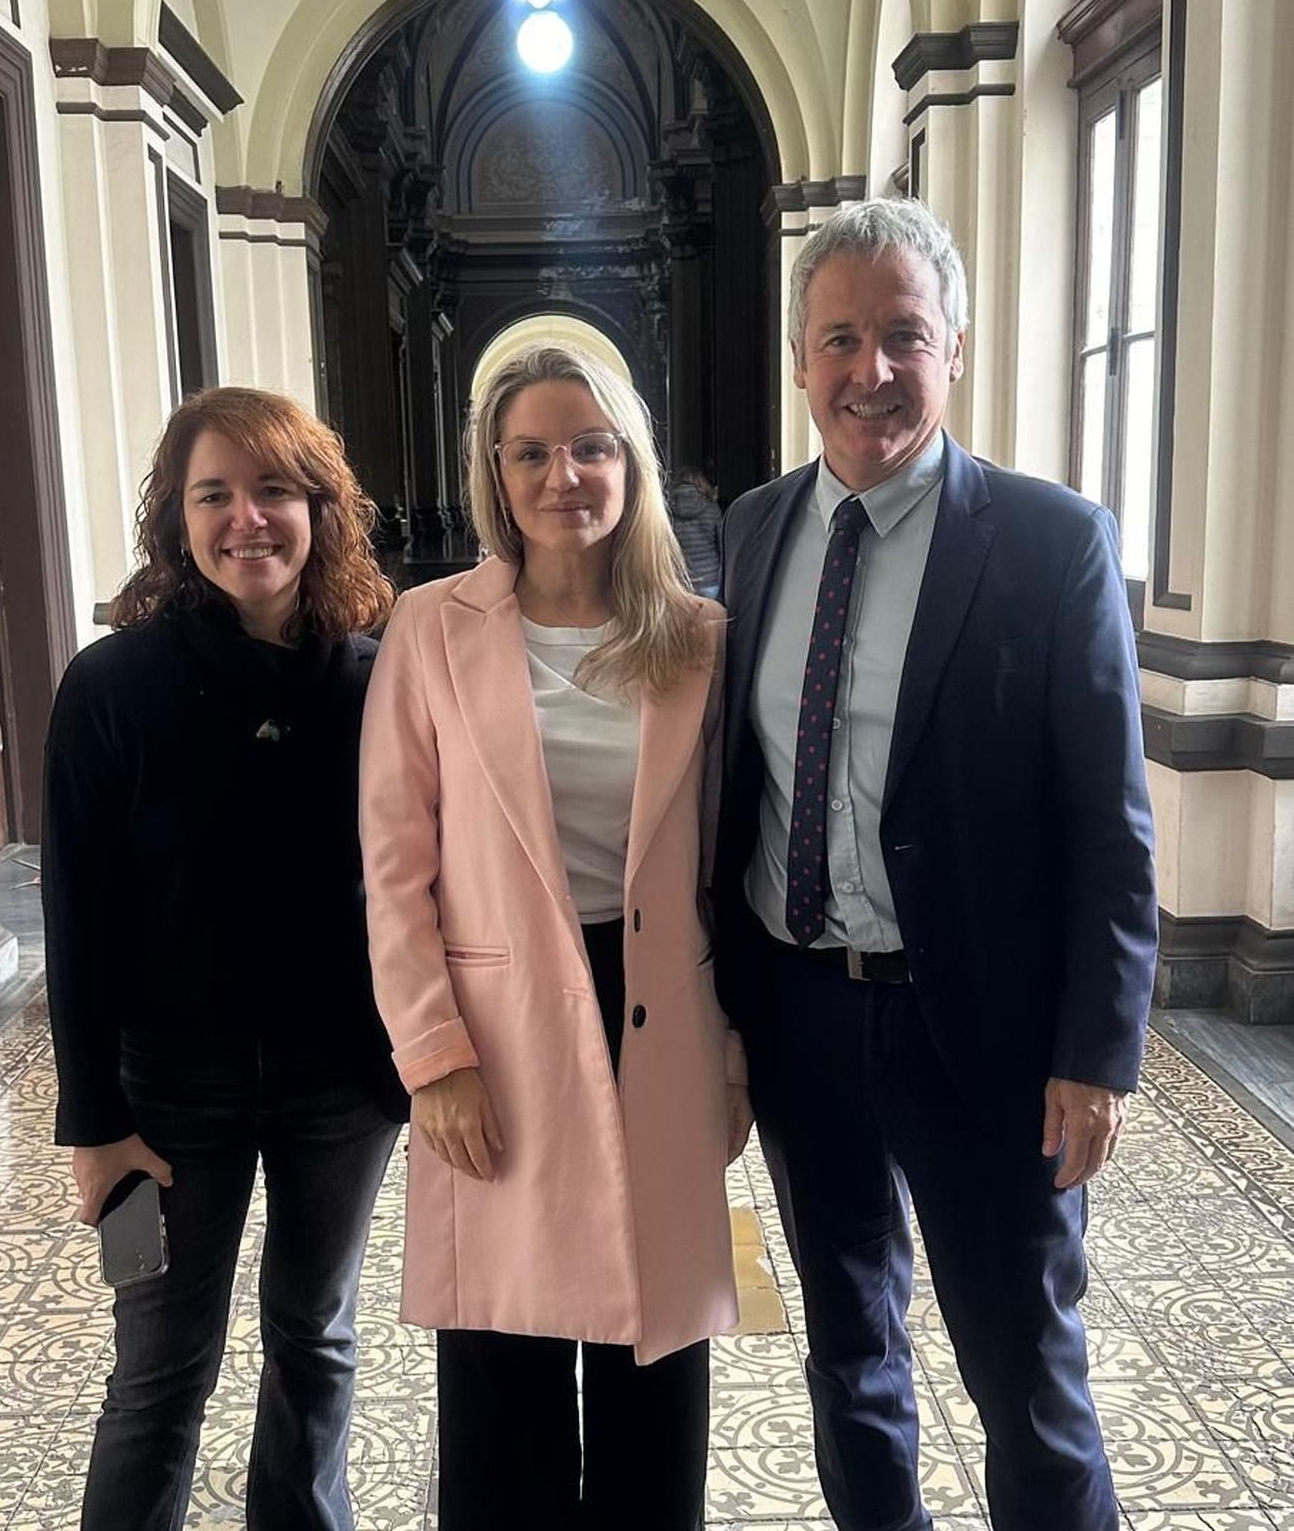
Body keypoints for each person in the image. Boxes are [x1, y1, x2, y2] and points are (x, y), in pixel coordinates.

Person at [712, 198, 1158, 1531]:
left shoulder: (1047, 541)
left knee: (1025, 1379)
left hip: (986, 1033)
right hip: (800, 1014)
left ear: (953, 346)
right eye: (839, 339)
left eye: (903, 334)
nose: (872, 370)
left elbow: (1109, 821)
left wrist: (1100, 1048)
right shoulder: (750, 531)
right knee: (850, 1354)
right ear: (801, 360)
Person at [360, 344, 752, 1531]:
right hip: (499, 1028)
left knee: (653, 1365)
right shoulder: (429, 628)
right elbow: (393, 865)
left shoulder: (696, 636)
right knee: (502, 1376)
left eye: (589, 446)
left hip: (660, 1017)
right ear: (495, 470)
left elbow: (728, 863)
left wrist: (731, 1058)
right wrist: (432, 1058)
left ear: (628, 458)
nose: (563, 473)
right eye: (531, 450)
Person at [42, 386, 407, 1531]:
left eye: (274, 492)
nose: (246, 519)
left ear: (320, 510)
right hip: (162, 1093)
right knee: (157, 1368)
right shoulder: (110, 688)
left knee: (317, 1337)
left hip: (340, 1088)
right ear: (176, 522)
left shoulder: (375, 682)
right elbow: (74, 919)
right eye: (214, 496)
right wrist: (92, 1122)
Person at [667, 466, 724, 599]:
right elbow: (722, 543)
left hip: (682, 580)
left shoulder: (669, 512)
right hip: (710, 578)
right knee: (712, 618)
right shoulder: (711, 508)